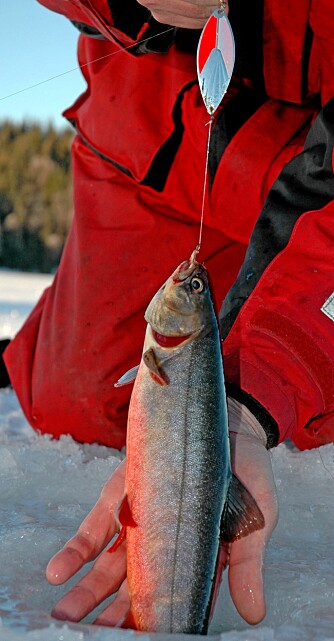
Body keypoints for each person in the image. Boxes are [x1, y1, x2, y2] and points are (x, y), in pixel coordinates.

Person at [2, 0, 334, 628]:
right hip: (151, 126)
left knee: (301, 385)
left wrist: (254, 392)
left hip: (315, 162)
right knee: (75, 399)